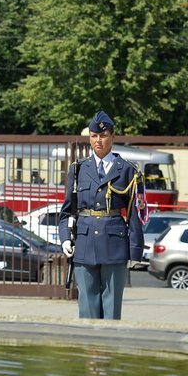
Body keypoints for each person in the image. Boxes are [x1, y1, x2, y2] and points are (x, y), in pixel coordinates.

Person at [58, 111, 144, 320]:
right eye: (94, 136)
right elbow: (67, 210)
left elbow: (136, 215)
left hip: (115, 245)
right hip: (85, 244)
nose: (98, 140)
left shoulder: (128, 171)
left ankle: (107, 351)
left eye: (103, 136)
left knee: (112, 308)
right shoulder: (78, 170)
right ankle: (89, 350)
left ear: (113, 137)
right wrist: (65, 238)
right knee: (87, 307)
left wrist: (135, 251)